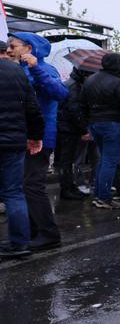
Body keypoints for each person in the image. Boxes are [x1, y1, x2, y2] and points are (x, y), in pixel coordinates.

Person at [6, 33, 67, 250]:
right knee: (23, 186)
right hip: (23, 136)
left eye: (13, 46)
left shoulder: (44, 69)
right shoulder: (18, 69)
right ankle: (31, 232)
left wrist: (35, 69)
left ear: (29, 48)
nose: (9, 49)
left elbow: (60, 93)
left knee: (33, 185)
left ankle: (49, 234)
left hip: (40, 137)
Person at [79, 53, 120, 209]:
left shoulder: (90, 80)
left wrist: (86, 124)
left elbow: (82, 105)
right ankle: (104, 197)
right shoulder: (118, 82)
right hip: (115, 125)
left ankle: (99, 195)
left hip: (95, 124)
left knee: (104, 159)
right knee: (109, 161)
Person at [0, 58, 45, 258]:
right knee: (14, 192)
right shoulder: (16, 71)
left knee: (12, 192)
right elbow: (32, 107)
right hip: (13, 140)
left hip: (12, 138)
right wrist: (35, 136)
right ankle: (20, 243)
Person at [56, 63, 95, 200]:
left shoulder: (72, 84)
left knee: (68, 160)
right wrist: (83, 129)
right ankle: (66, 189)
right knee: (67, 160)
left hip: (66, 127)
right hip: (68, 128)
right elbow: (75, 110)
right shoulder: (74, 87)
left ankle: (69, 186)